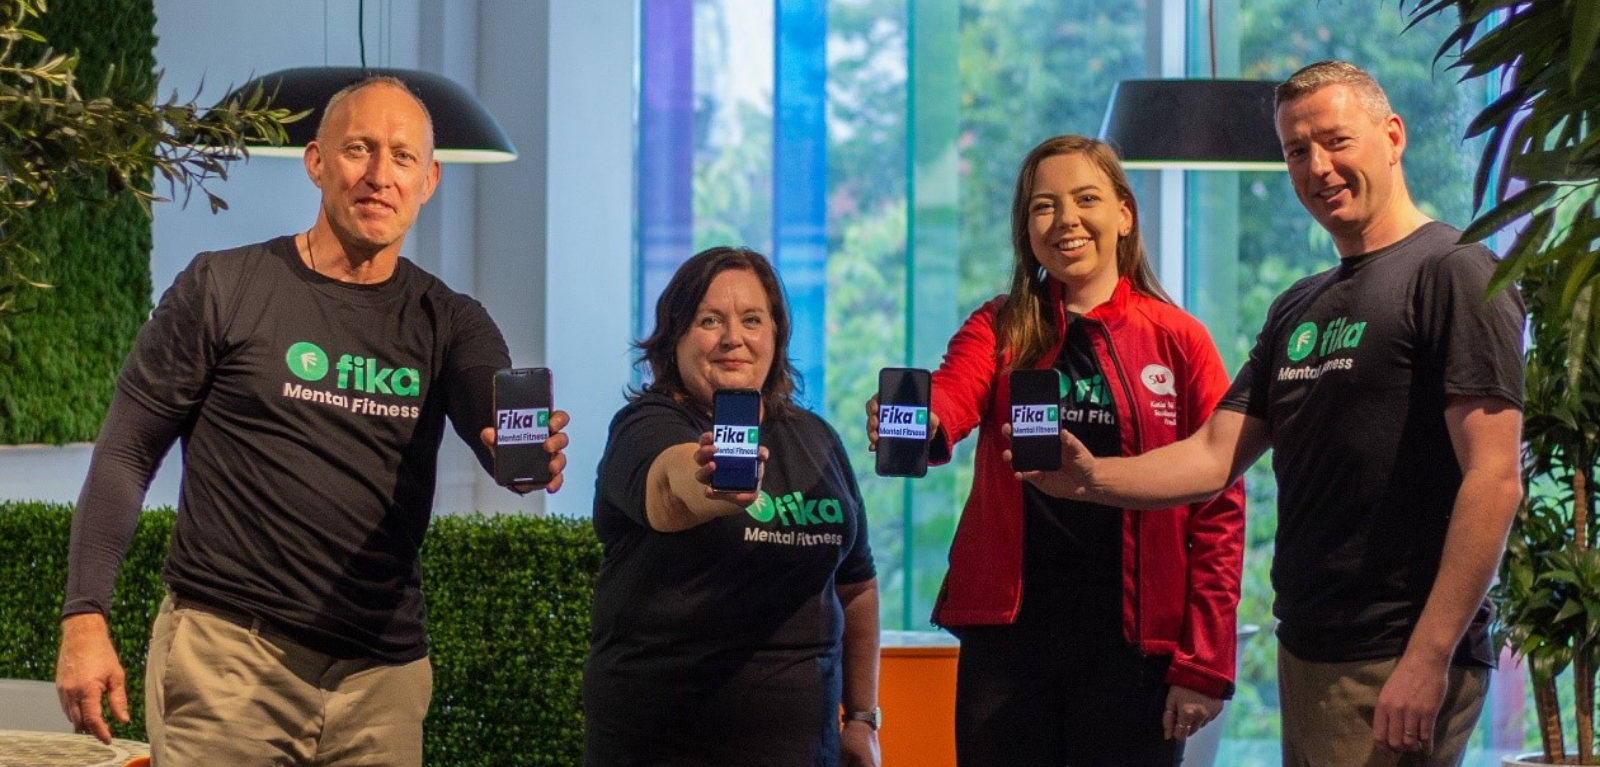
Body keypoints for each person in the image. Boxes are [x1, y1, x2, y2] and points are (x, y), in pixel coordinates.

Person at [53, 75, 570, 766]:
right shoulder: (224, 287)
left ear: (430, 179)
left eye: (402, 157)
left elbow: (491, 410)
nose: (379, 175)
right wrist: (84, 613)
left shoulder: (450, 321)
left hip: (380, 682)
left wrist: (519, 449)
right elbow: (125, 451)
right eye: (358, 149)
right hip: (230, 661)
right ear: (316, 162)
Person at [1021, 62, 1525, 766]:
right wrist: (1090, 479)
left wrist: (1428, 656)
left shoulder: (1454, 269)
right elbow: (1213, 454)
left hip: (1396, 655)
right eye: (1296, 150)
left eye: (1335, 141)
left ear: (1392, 136)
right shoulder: (1300, 305)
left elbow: (1494, 479)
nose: (1318, 167)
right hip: (1311, 645)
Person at [867, 134, 1245, 766]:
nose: (1066, 219)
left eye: (1086, 199)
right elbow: (954, 394)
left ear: (1124, 215)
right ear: (1027, 229)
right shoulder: (1000, 325)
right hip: (1009, 648)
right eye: (1044, 206)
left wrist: (1203, 661)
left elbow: (1219, 508)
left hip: (1135, 653)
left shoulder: (1179, 340)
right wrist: (915, 421)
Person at [586, 246, 880, 767]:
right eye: (709, 320)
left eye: (752, 320)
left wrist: (861, 718)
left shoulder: (816, 439)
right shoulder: (646, 428)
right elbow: (670, 486)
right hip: (665, 748)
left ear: (776, 335)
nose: (733, 339)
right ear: (673, 336)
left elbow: (855, 588)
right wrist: (709, 481)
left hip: (808, 752)